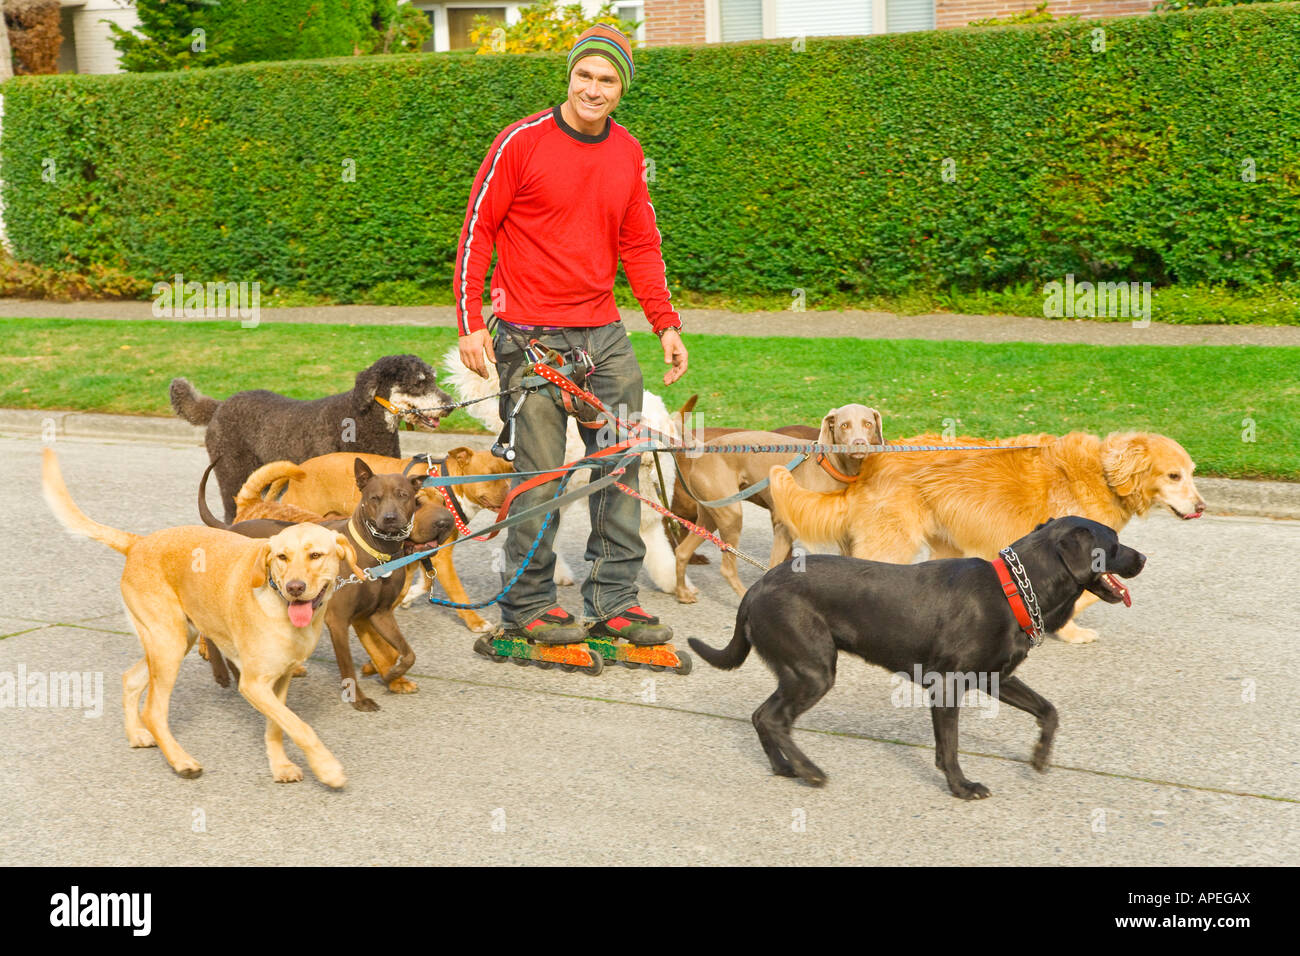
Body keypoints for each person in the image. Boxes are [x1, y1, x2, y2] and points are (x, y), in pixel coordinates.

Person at [453, 23, 688, 647]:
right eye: (584, 74)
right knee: (540, 474)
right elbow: (478, 231)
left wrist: (664, 321)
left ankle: (615, 601)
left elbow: (640, 242)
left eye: (606, 79)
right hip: (529, 332)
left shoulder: (628, 153)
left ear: (621, 89)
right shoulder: (521, 143)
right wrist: (471, 320)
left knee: (619, 465)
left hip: (605, 334)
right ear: (569, 77)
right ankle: (528, 605)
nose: (593, 87)